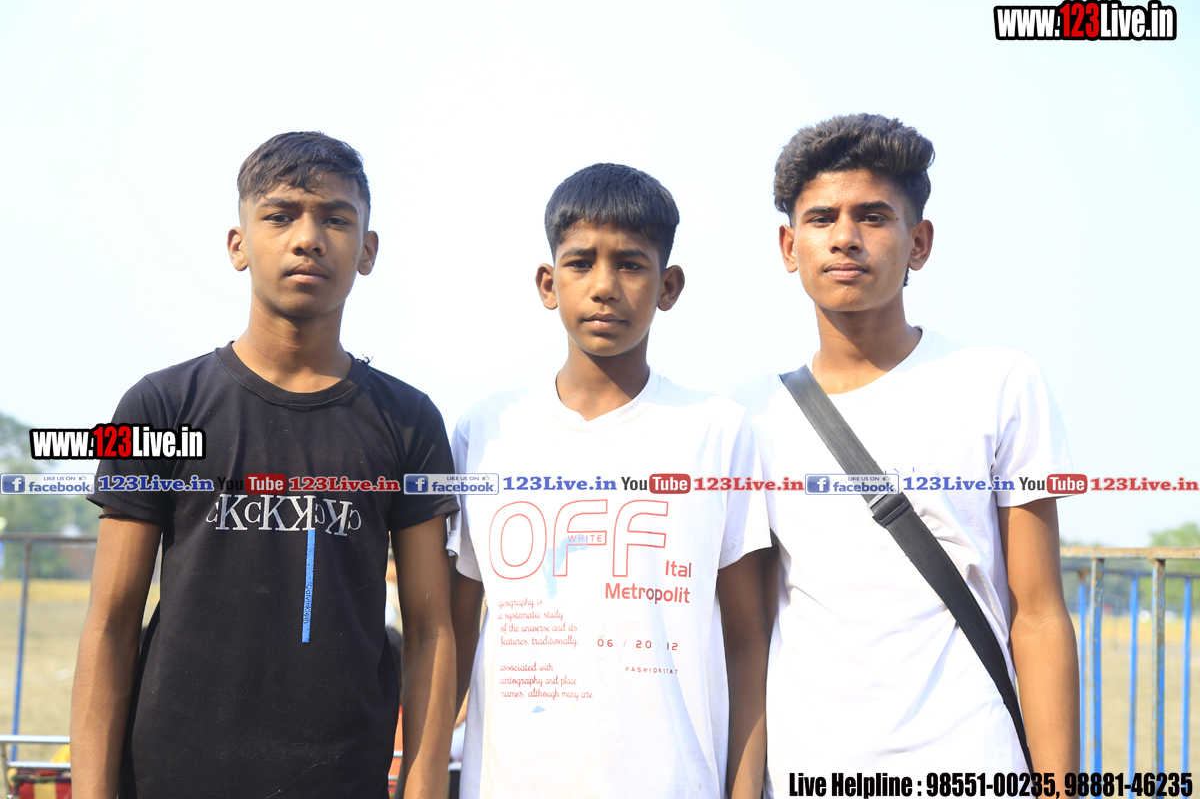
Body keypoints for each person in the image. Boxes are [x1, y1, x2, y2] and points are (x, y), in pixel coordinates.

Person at [72, 132, 458, 799]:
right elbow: (110, 623)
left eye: (335, 219)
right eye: (279, 216)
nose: (308, 239)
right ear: (238, 244)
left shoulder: (409, 420)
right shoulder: (158, 407)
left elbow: (430, 631)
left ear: (368, 250)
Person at [733, 114, 1079, 790]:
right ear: (789, 246)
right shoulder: (749, 419)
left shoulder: (1001, 383)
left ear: (918, 243)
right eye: (821, 218)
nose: (845, 238)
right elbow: (748, 635)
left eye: (873, 216)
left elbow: (1039, 613)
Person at [448, 163, 770, 799]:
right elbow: (453, 635)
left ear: (668, 286)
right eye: (580, 263)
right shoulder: (486, 433)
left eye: (630, 264)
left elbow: (747, 640)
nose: (604, 287)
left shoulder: (718, 431)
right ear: (548, 284)